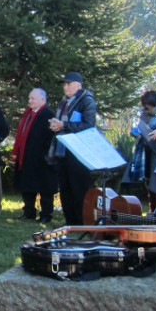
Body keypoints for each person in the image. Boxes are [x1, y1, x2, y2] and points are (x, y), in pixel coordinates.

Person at [48, 71, 97, 226]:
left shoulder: (86, 101)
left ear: (78, 85)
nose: (65, 87)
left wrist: (64, 125)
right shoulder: (63, 102)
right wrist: (55, 125)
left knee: (79, 188)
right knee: (65, 188)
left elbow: (89, 125)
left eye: (69, 83)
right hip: (62, 150)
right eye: (64, 84)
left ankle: (82, 222)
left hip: (79, 152)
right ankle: (70, 221)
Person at [11, 88, 57, 223]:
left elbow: (52, 138)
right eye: (29, 98)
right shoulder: (28, 115)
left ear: (42, 100)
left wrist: (45, 154)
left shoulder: (48, 114)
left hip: (42, 160)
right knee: (27, 186)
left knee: (45, 189)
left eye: (33, 98)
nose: (29, 101)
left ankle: (46, 215)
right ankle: (29, 212)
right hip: (27, 157)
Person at [123, 89, 156, 211]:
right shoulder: (144, 116)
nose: (146, 107)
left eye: (148, 105)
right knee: (149, 185)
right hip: (146, 153)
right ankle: (152, 210)